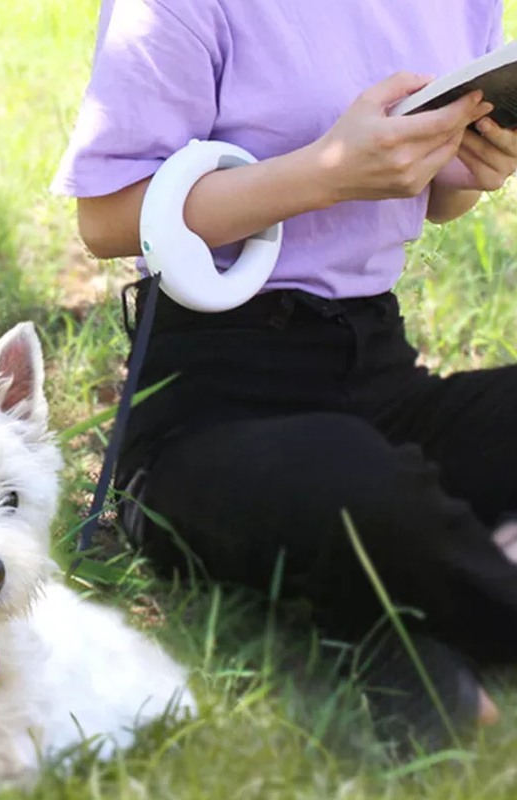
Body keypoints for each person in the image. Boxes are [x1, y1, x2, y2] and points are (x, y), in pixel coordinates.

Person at [51, 0, 517, 751]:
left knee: (370, 481)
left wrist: (473, 167)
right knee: (353, 485)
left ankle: (404, 614)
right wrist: (327, 174)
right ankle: (451, 581)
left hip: (377, 373)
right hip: (210, 403)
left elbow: (441, 202)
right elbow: (106, 220)